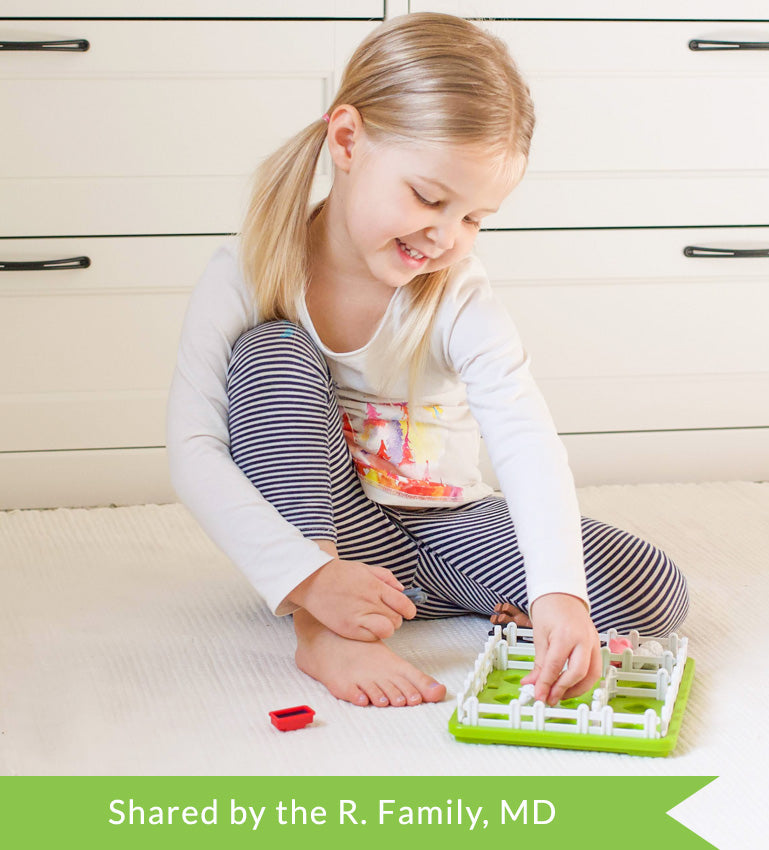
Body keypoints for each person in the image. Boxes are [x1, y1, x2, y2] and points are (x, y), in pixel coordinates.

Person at [167, 12, 689, 710]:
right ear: (348, 140)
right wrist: (309, 578)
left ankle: (418, 595)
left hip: (442, 523)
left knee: (653, 588)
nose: (447, 237)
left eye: (475, 218)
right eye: (429, 199)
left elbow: (523, 434)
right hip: (328, 528)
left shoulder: (459, 296)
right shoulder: (248, 269)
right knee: (273, 350)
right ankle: (326, 624)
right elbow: (193, 449)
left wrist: (558, 594)